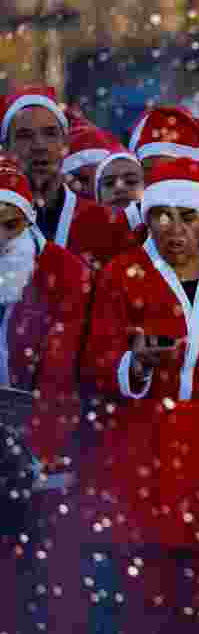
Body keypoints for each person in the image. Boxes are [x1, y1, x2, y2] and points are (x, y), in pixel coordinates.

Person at [80, 159, 199, 633]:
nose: (175, 228)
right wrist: (135, 365)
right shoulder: (122, 275)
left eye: (189, 216)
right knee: (146, 589)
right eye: (162, 214)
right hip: (141, 447)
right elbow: (96, 362)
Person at [0, 158, 92, 634]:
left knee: (51, 588)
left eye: (9, 225)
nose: (1, 239)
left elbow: (64, 371)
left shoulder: (63, 272)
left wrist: (40, 446)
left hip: (44, 457)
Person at [2, 86, 137, 266]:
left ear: (65, 143)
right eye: (25, 136)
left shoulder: (106, 225)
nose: (39, 145)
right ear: (6, 149)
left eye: (50, 133)